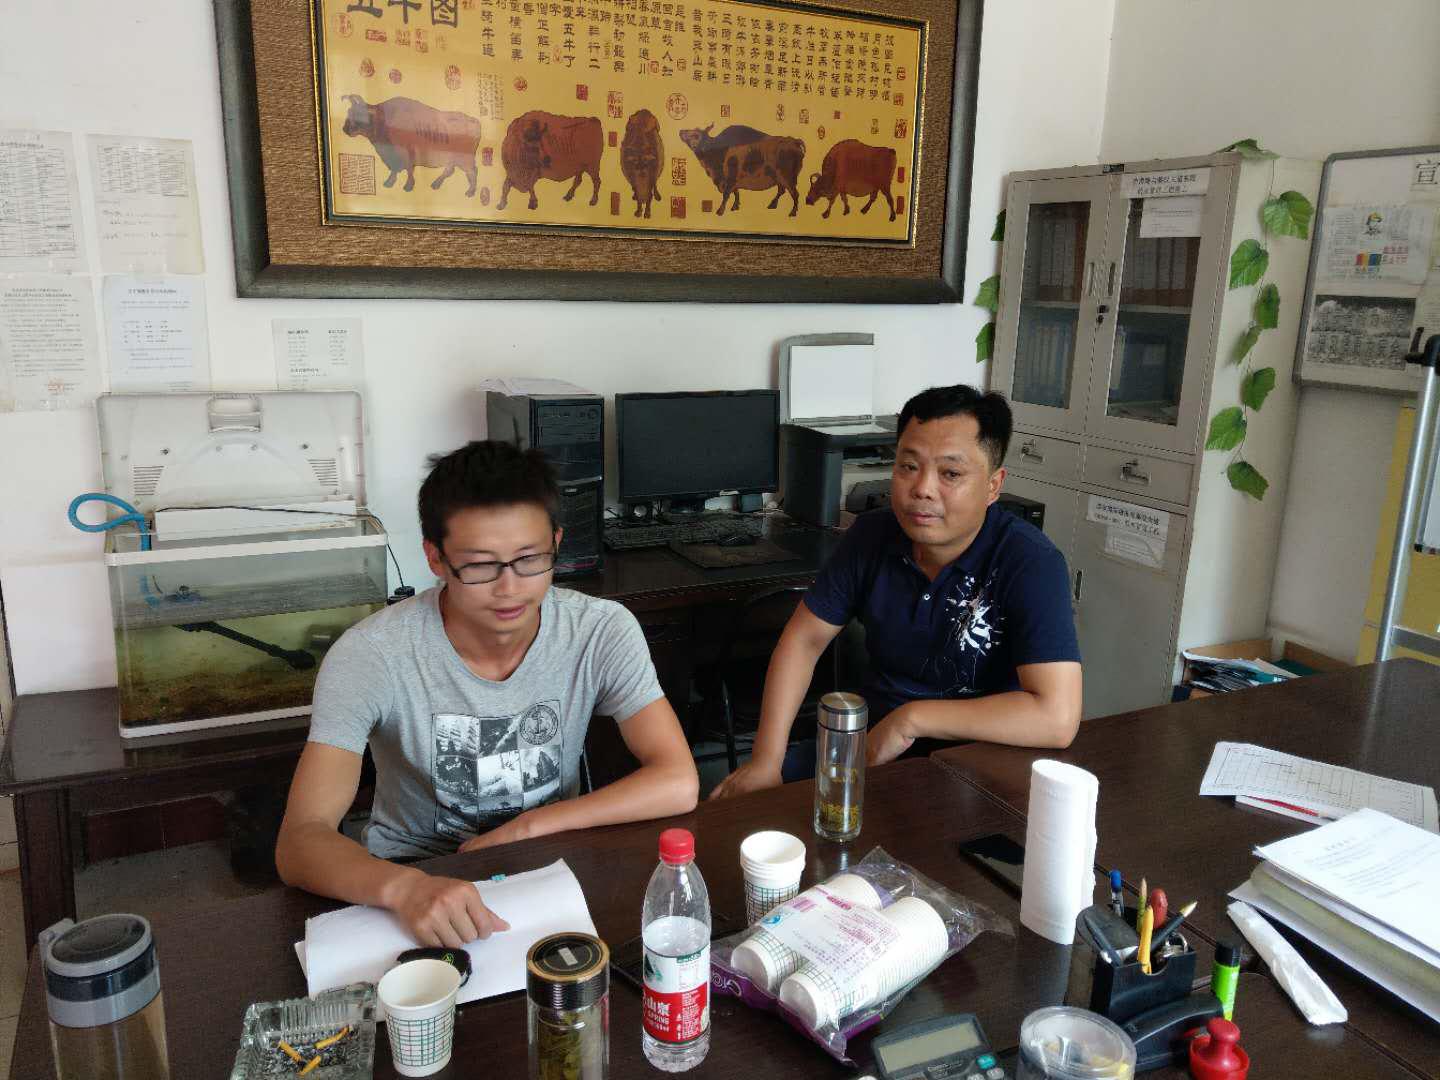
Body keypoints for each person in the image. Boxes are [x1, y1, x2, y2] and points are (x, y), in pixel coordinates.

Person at [277, 441, 699, 947]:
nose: (509, 588)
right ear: (435, 557)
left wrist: (527, 828)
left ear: (556, 543)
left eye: (529, 559)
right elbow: (300, 840)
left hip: (545, 862)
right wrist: (405, 888)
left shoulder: (600, 630)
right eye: (480, 566)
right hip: (416, 872)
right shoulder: (371, 654)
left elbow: (677, 781)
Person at [711, 384, 1081, 799]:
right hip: (874, 746)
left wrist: (913, 719)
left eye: (950, 474)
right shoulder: (872, 536)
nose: (922, 488)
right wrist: (766, 760)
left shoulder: (1029, 561)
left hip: (981, 761)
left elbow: (1057, 718)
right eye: (908, 466)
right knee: (744, 808)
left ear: (994, 486)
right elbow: (803, 641)